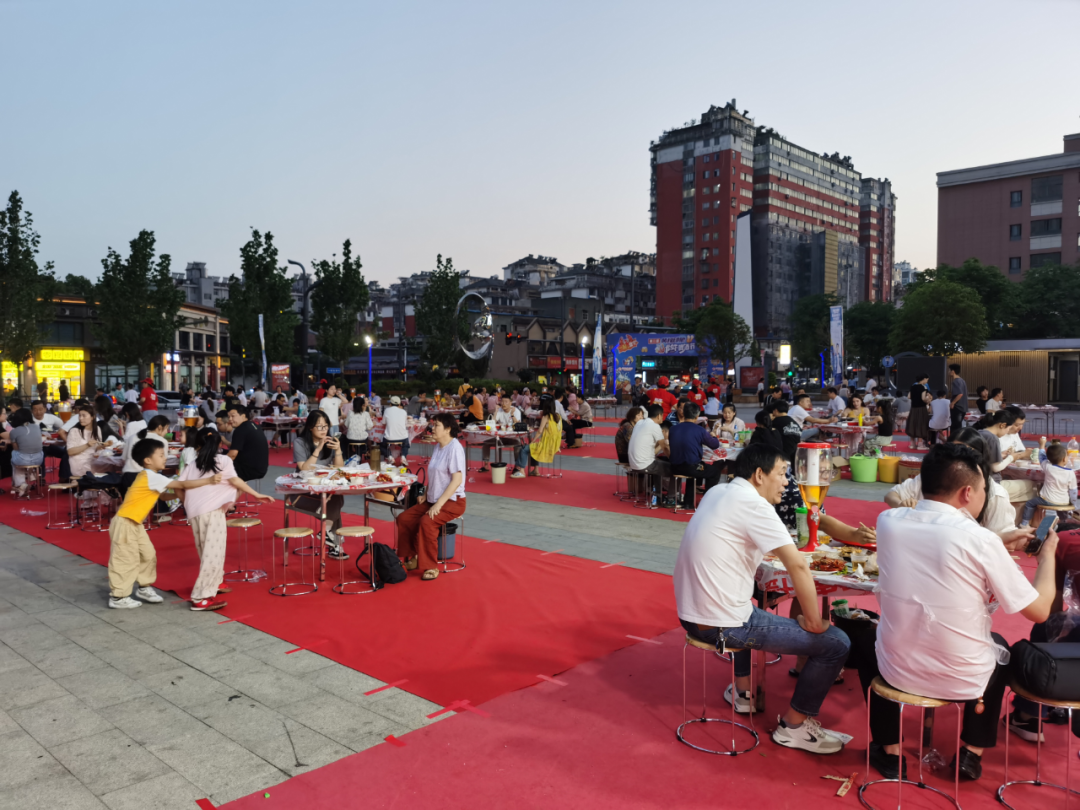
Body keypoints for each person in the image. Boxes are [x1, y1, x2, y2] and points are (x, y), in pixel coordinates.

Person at [850, 442, 1057, 780]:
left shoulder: (888, 521)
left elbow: (942, 544)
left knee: (867, 639)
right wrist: (1046, 557)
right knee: (1002, 649)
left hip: (896, 668)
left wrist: (999, 542)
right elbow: (1039, 610)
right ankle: (971, 753)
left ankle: (890, 750)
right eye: (982, 490)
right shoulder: (980, 541)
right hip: (962, 677)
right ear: (967, 493)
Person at [674, 443, 851, 754]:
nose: (786, 482)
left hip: (690, 616)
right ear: (759, 475)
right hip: (724, 626)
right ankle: (794, 727)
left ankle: (743, 694)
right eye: (782, 473)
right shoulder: (755, 506)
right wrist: (813, 621)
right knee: (837, 643)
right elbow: (798, 565)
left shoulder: (718, 492)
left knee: (748, 601)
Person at [106, 438, 221, 609]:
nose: (165, 458)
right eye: (161, 455)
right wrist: (209, 481)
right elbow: (181, 484)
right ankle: (118, 596)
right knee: (125, 559)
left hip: (134, 523)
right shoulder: (151, 476)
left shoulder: (150, 477)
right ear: (148, 460)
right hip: (125, 523)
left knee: (148, 555)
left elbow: (163, 496)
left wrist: (180, 497)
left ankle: (144, 587)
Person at [179, 429, 275, 610]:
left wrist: (188, 503)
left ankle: (215, 582)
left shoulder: (193, 464)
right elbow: (236, 481)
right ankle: (201, 596)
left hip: (196, 512)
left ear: (197, 446)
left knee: (205, 550)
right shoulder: (223, 460)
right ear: (219, 444)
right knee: (213, 554)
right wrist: (256, 494)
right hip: (212, 512)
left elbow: (179, 485)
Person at [885, 428, 1028, 542]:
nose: (958, 458)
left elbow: (1001, 539)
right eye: (953, 452)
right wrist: (901, 505)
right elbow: (891, 495)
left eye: (966, 454)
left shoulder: (995, 493)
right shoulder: (930, 478)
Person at [396, 413, 466, 580]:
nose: (432, 428)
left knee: (427, 522)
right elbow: (435, 475)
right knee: (404, 519)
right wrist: (426, 494)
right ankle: (414, 557)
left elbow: (456, 480)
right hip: (433, 499)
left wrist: (438, 504)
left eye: (436, 425)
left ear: (447, 429)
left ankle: (431, 566)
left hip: (453, 501)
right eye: (433, 425)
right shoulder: (438, 447)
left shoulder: (455, 448)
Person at [290, 410, 348, 559]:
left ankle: (328, 535)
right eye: (319, 426)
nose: (324, 430)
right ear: (310, 427)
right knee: (334, 500)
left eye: (326, 426)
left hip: (323, 490)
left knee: (334, 497)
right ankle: (331, 540)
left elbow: (339, 469)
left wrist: (338, 450)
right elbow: (304, 468)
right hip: (303, 492)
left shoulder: (330, 441)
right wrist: (318, 449)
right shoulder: (300, 442)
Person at [1020, 438, 1077, 526]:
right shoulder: (1071, 473)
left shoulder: (1048, 467)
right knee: (1061, 507)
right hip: (1064, 501)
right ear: (1064, 459)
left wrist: (1042, 444)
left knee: (1029, 504)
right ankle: (1064, 521)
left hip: (1047, 500)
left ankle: (1024, 523)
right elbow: (1073, 491)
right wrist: (1073, 504)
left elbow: (1041, 456)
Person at [669, 402, 722, 495]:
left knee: (695, 466)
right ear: (697, 416)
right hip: (692, 467)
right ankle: (708, 497)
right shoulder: (700, 430)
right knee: (715, 472)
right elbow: (714, 445)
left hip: (674, 467)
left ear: (684, 414)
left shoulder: (673, 429)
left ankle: (689, 501)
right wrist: (714, 436)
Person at [627, 404, 669, 500]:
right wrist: (673, 458)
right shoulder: (655, 426)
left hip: (633, 464)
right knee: (674, 468)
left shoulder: (639, 423)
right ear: (659, 415)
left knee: (658, 466)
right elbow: (664, 447)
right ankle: (672, 497)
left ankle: (657, 495)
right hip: (644, 465)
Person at [514, 398, 562, 477]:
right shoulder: (558, 416)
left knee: (524, 449)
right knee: (533, 449)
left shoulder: (546, 417)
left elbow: (539, 431)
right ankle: (535, 470)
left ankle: (521, 470)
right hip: (555, 445)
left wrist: (532, 441)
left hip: (546, 445)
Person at [225, 404, 269, 485]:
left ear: (243, 416)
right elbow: (241, 446)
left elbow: (232, 455)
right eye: (229, 417)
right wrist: (225, 441)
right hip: (261, 468)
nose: (230, 419)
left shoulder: (240, 429)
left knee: (216, 467)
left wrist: (219, 464)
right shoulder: (254, 425)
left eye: (233, 416)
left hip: (248, 470)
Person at [8, 408, 44, 495]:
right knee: (23, 455)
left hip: (23, 459)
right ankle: (31, 473)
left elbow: (16, 448)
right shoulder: (37, 427)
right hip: (38, 459)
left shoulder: (14, 431)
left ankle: (20, 484)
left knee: (14, 455)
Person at [66, 404, 104, 480]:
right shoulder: (74, 431)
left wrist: (103, 446)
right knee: (104, 470)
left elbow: (96, 448)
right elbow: (70, 452)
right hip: (79, 463)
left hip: (93, 459)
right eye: (79, 416)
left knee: (111, 466)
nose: (81, 418)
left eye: (84, 416)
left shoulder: (97, 429)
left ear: (93, 417)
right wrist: (87, 445)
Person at [906, 373, 933, 449]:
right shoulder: (923, 387)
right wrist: (928, 400)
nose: (927, 381)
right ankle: (920, 444)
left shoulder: (912, 386)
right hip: (921, 408)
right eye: (927, 379)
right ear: (924, 379)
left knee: (913, 424)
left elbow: (909, 396)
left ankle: (912, 444)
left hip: (913, 408)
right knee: (921, 424)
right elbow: (923, 398)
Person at [382, 395, 411, 460]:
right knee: (406, 445)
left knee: (382, 446)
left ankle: (390, 456)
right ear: (399, 404)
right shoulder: (403, 412)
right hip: (403, 437)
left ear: (390, 404)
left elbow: (383, 423)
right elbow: (405, 423)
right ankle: (403, 457)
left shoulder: (387, 410)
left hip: (389, 437)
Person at [948, 363, 968, 440]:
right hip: (963, 407)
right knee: (958, 426)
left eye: (949, 370)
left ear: (953, 371)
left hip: (957, 407)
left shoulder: (956, 381)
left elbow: (960, 394)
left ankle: (954, 442)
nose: (948, 372)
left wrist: (953, 403)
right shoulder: (962, 380)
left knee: (955, 427)